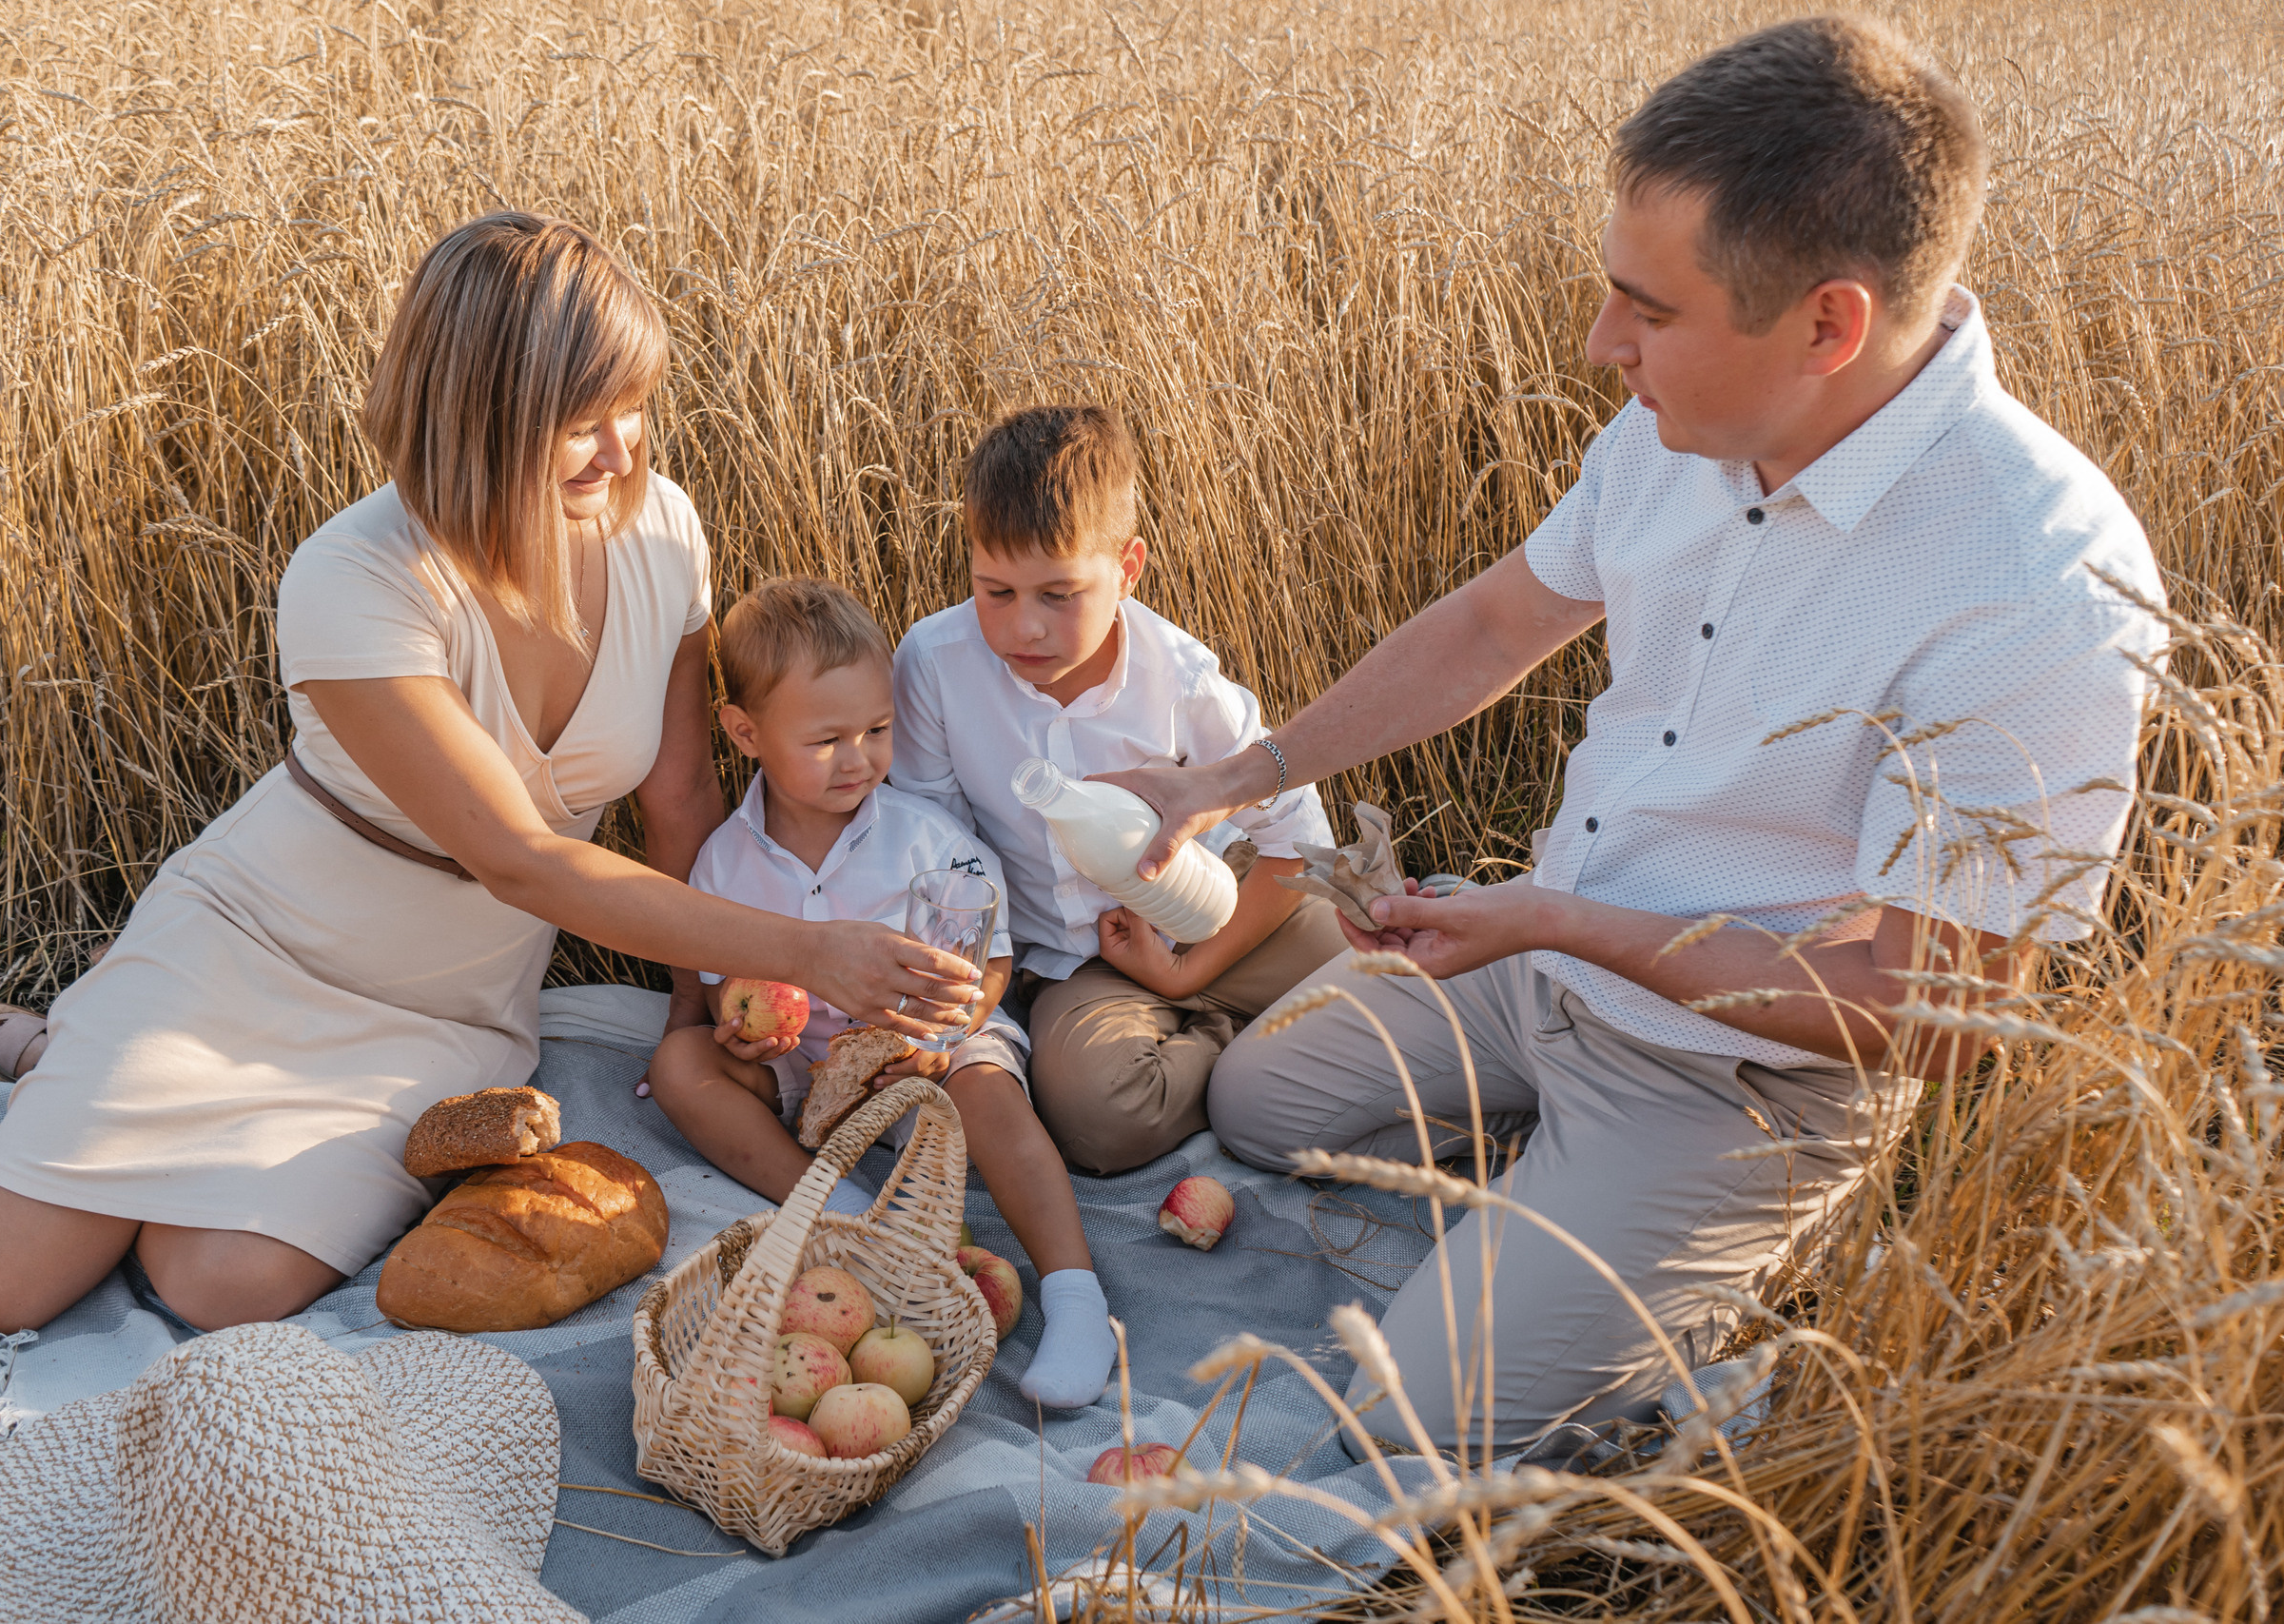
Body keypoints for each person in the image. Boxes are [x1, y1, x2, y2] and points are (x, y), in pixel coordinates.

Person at [1098, 17, 2169, 1458]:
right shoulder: (1678, 426)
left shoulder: (2038, 586)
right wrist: (1226, 778)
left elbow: (1935, 1010)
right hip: (1538, 963)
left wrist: (1559, 918)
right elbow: (1491, 627)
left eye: (1646, 310)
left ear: (1828, 327)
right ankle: (1559, 1195)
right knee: (1256, 1099)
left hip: (1741, 1074)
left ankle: (1682, 1254)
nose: (1603, 347)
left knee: (1412, 1423)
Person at [0, 214, 976, 1339]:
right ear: (480, 418)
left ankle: (58, 1057)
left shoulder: (660, 531)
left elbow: (677, 798)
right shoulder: (352, 575)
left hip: (450, 1004)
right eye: (583, 423)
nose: (625, 450)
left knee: (215, 1284)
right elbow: (520, 858)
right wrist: (811, 952)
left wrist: (712, 1012)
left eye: (634, 407)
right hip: (259, 948)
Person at [643, 577, 1118, 1407]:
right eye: (826, 739)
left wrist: (943, 1035)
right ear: (746, 732)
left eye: (876, 729)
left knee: (992, 1091)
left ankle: (1076, 1294)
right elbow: (727, 988)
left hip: (924, 1047)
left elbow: (989, 962)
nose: (859, 757)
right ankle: (844, 1209)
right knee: (683, 1065)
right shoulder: (725, 859)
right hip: (806, 1065)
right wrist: (741, 1030)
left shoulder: (925, 838)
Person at [889, 406, 1349, 1175]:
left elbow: (1297, 849)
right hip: (1080, 963)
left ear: (1128, 568)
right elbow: (941, 853)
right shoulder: (934, 666)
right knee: (1097, 1118)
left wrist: (1186, 971)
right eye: (994, 591)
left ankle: (1214, 1027)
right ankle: (1238, 1048)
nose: (1023, 628)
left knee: (1388, 984)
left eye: (1058, 595)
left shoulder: (1182, 676)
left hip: (1220, 912)